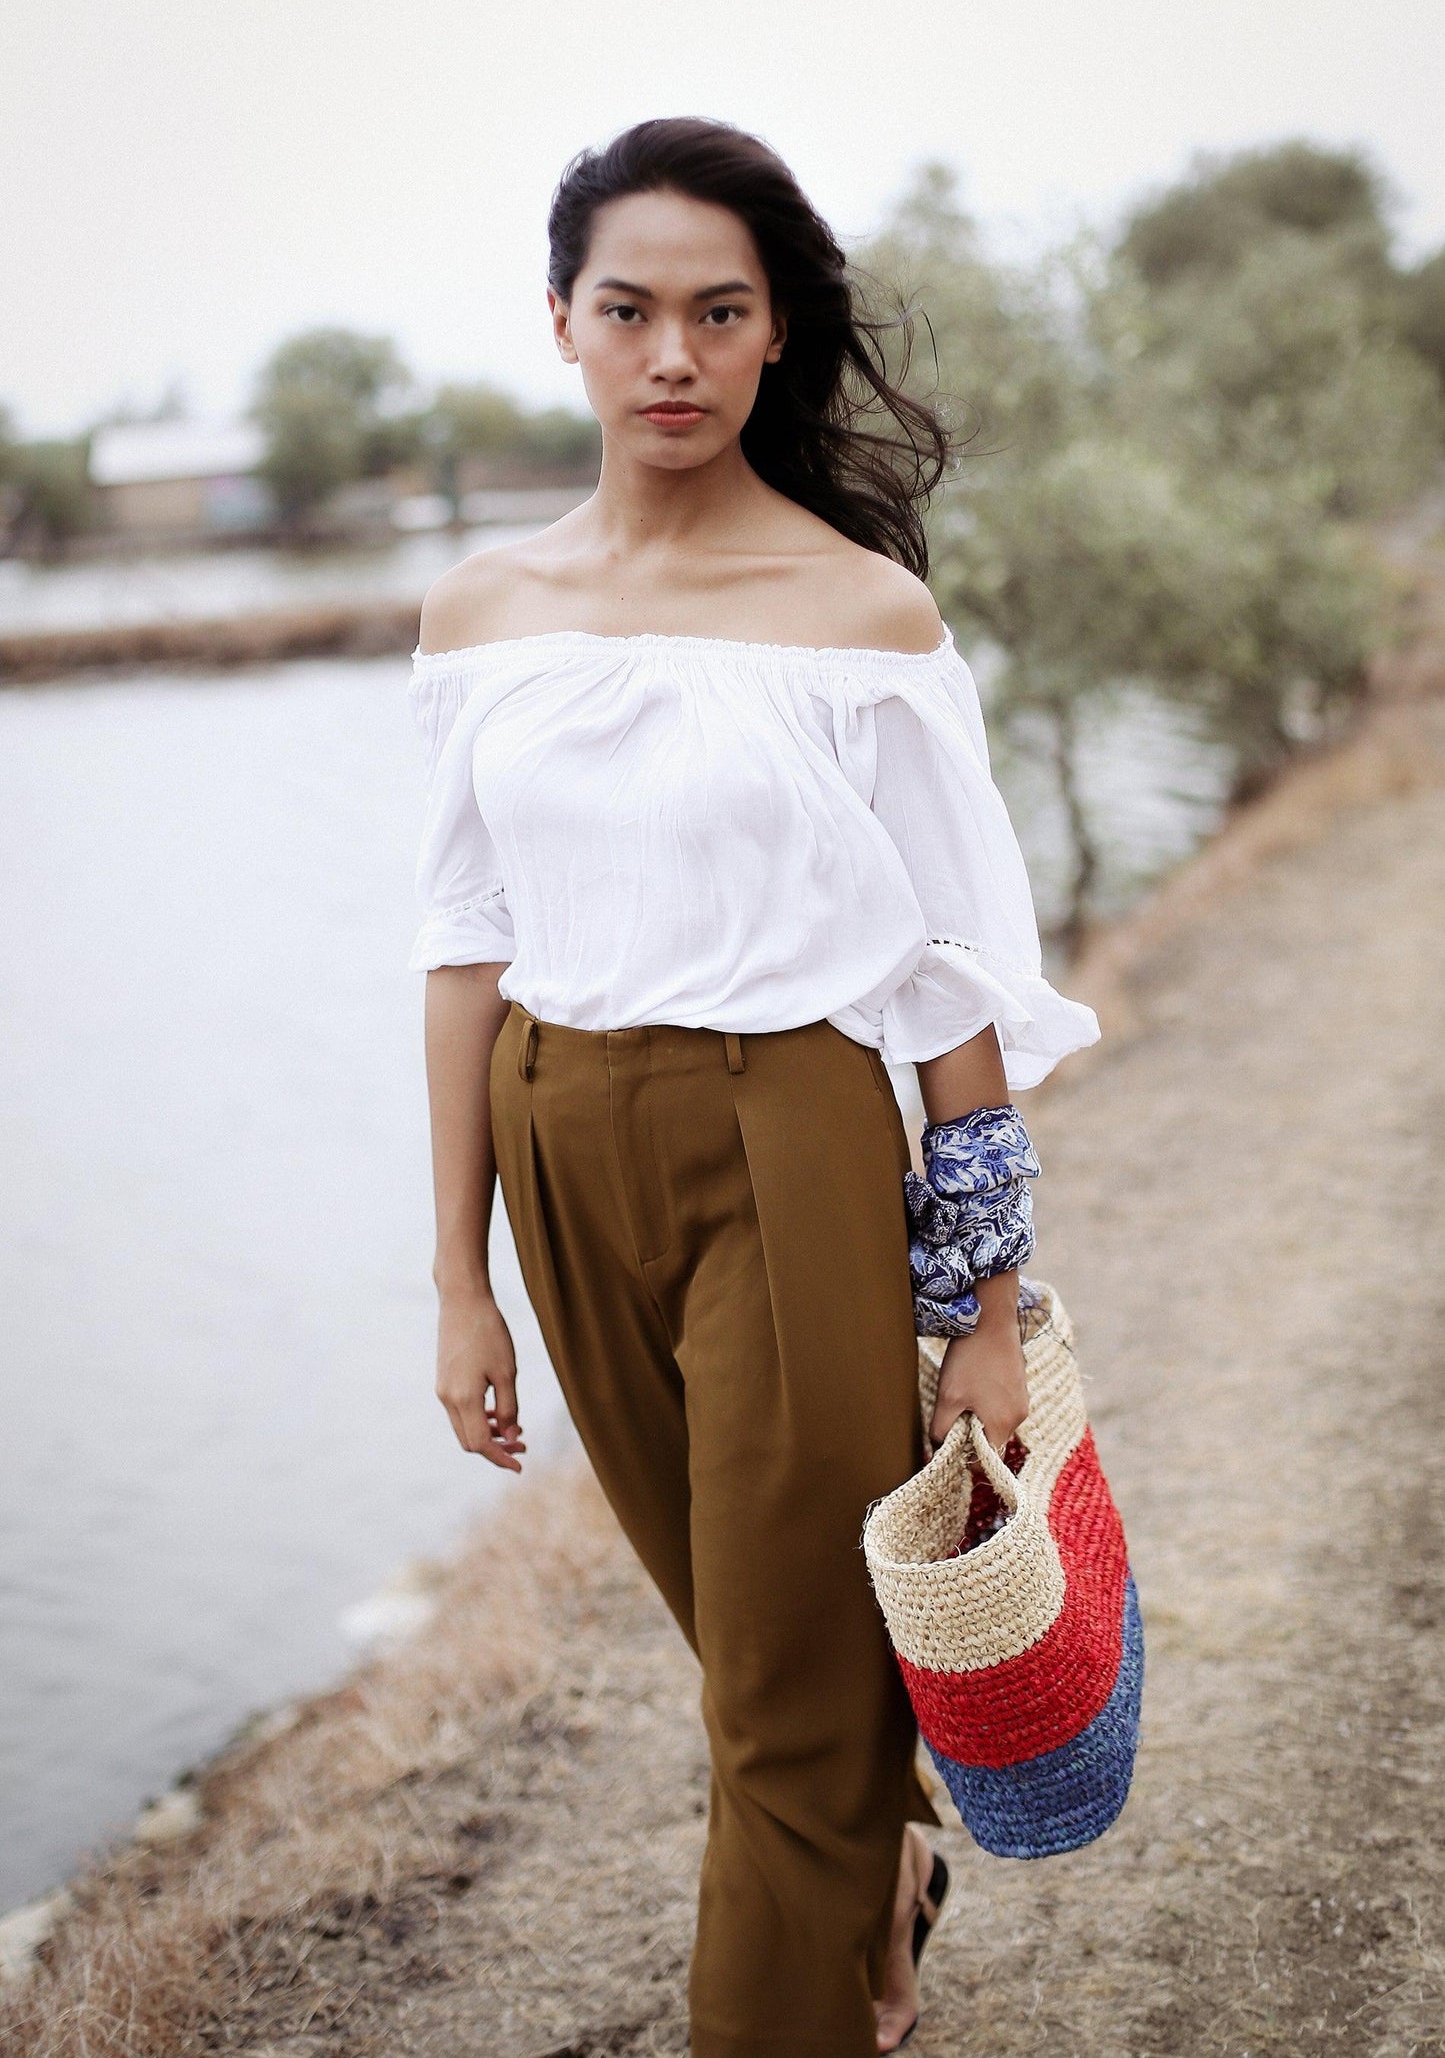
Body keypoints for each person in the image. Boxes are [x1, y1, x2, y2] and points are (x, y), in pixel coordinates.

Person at [407, 117, 1100, 2057]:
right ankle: (879, 1867)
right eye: (630, 311)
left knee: (784, 1701)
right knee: (746, 1634)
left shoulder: (857, 614)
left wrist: (982, 1305)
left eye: (722, 313)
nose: (675, 357)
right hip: (557, 1144)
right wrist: (458, 1276)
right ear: (562, 322)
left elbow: (952, 986)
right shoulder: (481, 613)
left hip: (783, 1131)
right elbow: (459, 940)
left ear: (780, 333)